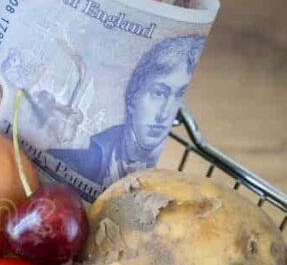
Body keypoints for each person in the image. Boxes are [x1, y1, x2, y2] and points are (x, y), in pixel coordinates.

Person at [52, 35, 206, 187]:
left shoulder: (169, 184)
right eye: (158, 93)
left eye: (179, 96)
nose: (164, 114)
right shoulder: (86, 152)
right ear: (133, 96)